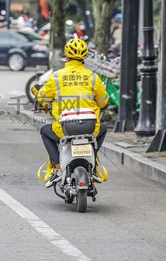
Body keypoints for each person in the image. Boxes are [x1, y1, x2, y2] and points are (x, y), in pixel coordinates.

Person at [32, 39, 109, 188]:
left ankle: (56, 166)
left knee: (45, 131)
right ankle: (94, 159)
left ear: (66, 56)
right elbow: (104, 102)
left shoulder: (57, 77)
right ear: (85, 57)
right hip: (90, 128)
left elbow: (43, 99)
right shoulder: (93, 77)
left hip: (64, 129)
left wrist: (36, 92)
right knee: (103, 128)